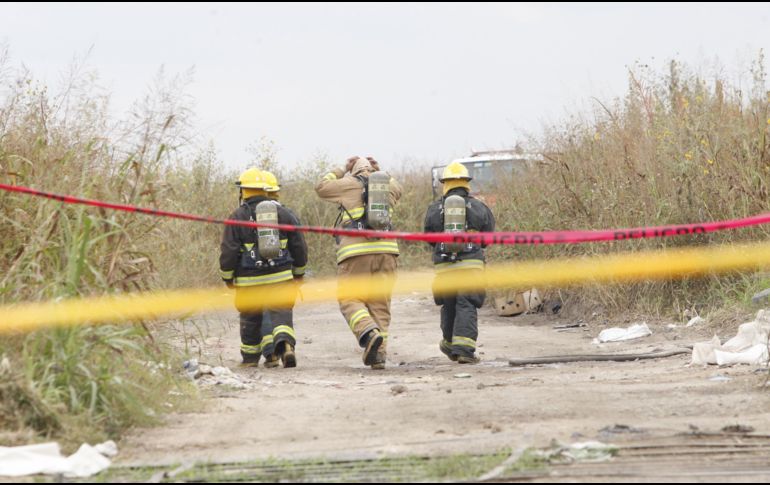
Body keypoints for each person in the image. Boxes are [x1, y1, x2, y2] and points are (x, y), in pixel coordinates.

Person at [315, 156, 402, 369]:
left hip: (355, 252)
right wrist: (380, 170)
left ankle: (368, 332)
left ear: (353, 171)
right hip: (387, 251)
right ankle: (379, 355)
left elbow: (321, 187)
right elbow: (398, 188)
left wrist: (341, 169)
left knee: (349, 298)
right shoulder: (389, 186)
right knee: (380, 304)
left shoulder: (347, 184)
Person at [220, 168, 308, 368]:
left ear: (244, 191)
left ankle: (250, 359)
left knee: (250, 318)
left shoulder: (237, 216)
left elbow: (228, 250)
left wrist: (228, 277)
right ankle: (286, 346)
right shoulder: (284, 213)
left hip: (248, 279)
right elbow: (299, 244)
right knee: (281, 313)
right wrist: (299, 272)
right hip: (281, 275)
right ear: (266, 190)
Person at [423, 161, 495, 364]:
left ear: (444, 183)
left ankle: (448, 342)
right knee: (467, 303)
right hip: (471, 265)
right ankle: (464, 349)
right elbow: (488, 238)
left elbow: (428, 238)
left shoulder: (435, 209)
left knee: (449, 304)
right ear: (466, 183)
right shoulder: (479, 206)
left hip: (444, 267)